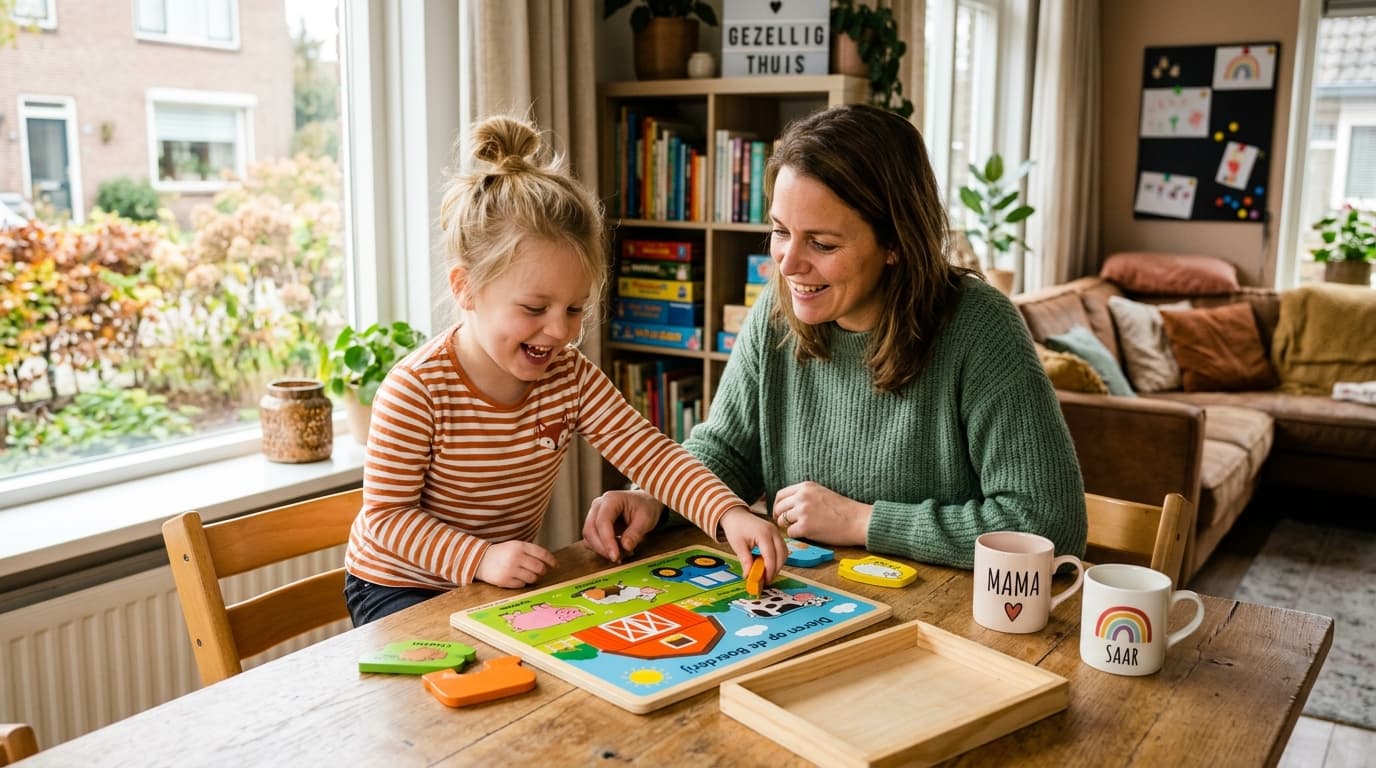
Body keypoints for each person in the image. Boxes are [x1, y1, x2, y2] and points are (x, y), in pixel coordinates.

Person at [584, 103, 1086, 569]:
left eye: (821, 243)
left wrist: (864, 522)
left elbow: (1048, 525)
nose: (788, 262)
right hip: (816, 604)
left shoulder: (979, 327)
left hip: (950, 619)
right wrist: (654, 499)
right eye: (781, 231)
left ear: (894, 243)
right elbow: (728, 452)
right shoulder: (776, 313)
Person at [344, 115, 788, 626]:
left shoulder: (568, 376)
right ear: (465, 288)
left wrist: (727, 511)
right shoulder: (415, 390)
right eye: (535, 309)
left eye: (575, 309)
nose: (561, 332)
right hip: (398, 585)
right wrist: (480, 558)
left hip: (490, 582)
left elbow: (651, 455)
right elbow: (386, 519)